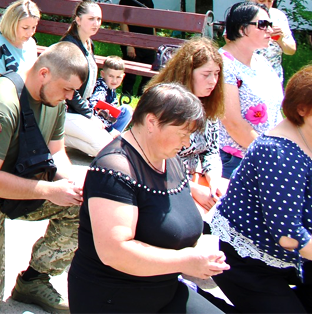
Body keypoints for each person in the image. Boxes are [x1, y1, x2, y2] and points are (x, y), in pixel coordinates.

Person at [67, 83, 228, 314]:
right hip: (114, 298)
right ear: (152, 122)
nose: (186, 143)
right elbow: (115, 252)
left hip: (163, 289)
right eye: (183, 134)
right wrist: (185, 261)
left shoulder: (170, 159)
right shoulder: (114, 169)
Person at [0, 42, 90, 314]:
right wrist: (48, 190)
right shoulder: (1, 103)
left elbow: (56, 152)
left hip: (19, 187)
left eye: (74, 91)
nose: (70, 97)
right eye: (67, 89)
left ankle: (33, 280)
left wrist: (73, 186)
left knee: (85, 208)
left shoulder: (54, 100)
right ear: (44, 74)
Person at [210, 63, 312, 314]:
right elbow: (289, 237)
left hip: (303, 261)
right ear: (301, 108)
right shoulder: (278, 152)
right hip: (252, 263)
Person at [150, 38, 227, 213]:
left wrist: (214, 180)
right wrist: (192, 189)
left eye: (216, 74)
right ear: (187, 73)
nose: (213, 81)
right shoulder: (165, 106)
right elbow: (155, 164)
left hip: (194, 181)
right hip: (164, 185)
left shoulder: (208, 105)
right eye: (206, 74)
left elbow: (211, 151)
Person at [218, 1, 283, 178]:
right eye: (263, 24)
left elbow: (276, 112)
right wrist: (272, 156)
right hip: (237, 163)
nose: (270, 30)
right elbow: (233, 123)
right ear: (242, 29)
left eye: (270, 24)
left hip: (266, 157)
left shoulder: (262, 62)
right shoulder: (222, 65)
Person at [61, 1, 120, 158]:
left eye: (99, 19)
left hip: (80, 110)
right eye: (91, 19)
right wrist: (90, 115)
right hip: (64, 110)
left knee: (108, 144)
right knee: (106, 149)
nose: (96, 23)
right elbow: (69, 91)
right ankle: (53, 134)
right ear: (78, 20)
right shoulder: (70, 46)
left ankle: (59, 137)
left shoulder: (88, 43)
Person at [244, 0, 297, 82]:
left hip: (273, 78)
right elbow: (229, 43)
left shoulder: (278, 16)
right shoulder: (241, 15)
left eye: (270, 1)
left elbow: (291, 51)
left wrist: (280, 40)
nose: (266, 5)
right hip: (246, 76)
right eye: (262, 1)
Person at [120, 0, 156, 97]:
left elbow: (152, 23)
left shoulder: (149, 1)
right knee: (131, 74)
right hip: (133, 43)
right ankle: (126, 95)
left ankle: (142, 96)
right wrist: (129, 45)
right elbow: (123, 23)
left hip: (147, 43)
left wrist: (154, 41)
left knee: (150, 73)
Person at [0, 0, 40, 78]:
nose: (30, 33)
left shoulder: (31, 43)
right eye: (25, 28)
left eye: (33, 27)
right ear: (11, 24)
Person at [86, 56, 134, 136]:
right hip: (96, 122)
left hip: (107, 120)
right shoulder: (101, 87)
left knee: (126, 110)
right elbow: (95, 106)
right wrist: (110, 129)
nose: (114, 80)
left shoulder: (111, 87)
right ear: (103, 74)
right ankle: (111, 136)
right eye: (111, 76)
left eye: (118, 77)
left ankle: (113, 136)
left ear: (123, 77)